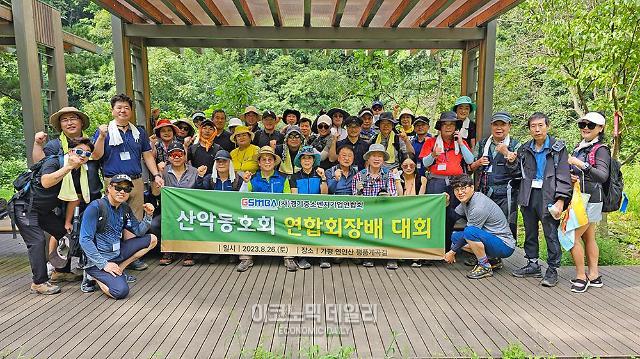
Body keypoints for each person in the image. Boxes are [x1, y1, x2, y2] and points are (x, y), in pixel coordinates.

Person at [10, 137, 96, 294]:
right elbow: (46, 182)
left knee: (66, 234)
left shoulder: (80, 172)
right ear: (70, 152)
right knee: (37, 241)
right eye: (79, 151)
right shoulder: (54, 162)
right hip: (24, 206)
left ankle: (60, 271)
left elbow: (75, 199)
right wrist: (68, 167)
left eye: (87, 154)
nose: (83, 155)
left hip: (43, 211)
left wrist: (68, 222)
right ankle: (39, 282)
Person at [508, 112, 572, 287]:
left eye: (540, 126)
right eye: (533, 126)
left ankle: (552, 269)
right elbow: (516, 174)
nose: (537, 130)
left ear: (547, 127)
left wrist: (561, 199)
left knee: (550, 233)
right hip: (528, 194)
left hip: (549, 194)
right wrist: (512, 161)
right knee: (530, 231)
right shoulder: (524, 148)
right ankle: (532, 263)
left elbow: (564, 175)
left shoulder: (558, 148)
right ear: (529, 129)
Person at [79, 175, 158, 299]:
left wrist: (148, 215)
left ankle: (119, 269)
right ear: (109, 188)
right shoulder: (96, 207)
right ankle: (92, 275)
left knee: (152, 239)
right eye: (118, 187)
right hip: (98, 259)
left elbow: (139, 231)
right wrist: (104, 264)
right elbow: (84, 240)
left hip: (116, 253)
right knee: (120, 292)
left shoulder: (124, 207)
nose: (122, 191)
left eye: (126, 189)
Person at [92, 93, 163, 223]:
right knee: (113, 219)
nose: (123, 111)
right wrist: (102, 136)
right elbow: (96, 156)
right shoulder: (104, 131)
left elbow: (147, 155)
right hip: (114, 181)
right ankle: (115, 244)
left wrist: (156, 175)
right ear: (112, 110)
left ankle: (132, 242)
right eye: (119, 107)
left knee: (135, 220)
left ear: (131, 111)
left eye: (126, 107)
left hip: (136, 181)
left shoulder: (139, 132)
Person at [567, 112, 610, 292]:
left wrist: (579, 164)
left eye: (590, 125)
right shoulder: (581, 146)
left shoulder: (601, 149)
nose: (585, 128)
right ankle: (594, 275)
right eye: (582, 124)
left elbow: (602, 175)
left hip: (590, 199)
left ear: (600, 128)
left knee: (570, 237)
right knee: (588, 236)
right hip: (580, 197)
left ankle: (580, 276)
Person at [419, 111, 475, 249]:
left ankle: (448, 246)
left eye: (452, 124)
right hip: (436, 182)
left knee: (453, 214)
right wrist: (433, 154)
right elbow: (425, 163)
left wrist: (461, 143)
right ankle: (432, 247)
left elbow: (470, 160)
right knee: (435, 214)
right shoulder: (431, 142)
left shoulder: (460, 143)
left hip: (456, 183)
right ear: (440, 127)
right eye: (445, 124)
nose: (449, 127)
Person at [443, 174, 516, 279]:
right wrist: (447, 204)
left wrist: (452, 251)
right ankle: (493, 260)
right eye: (457, 189)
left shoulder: (479, 206)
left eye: (463, 188)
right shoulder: (467, 200)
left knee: (469, 231)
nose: (460, 192)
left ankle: (484, 266)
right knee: (455, 237)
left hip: (504, 245)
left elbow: (469, 233)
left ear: (472, 187)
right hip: (492, 239)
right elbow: (454, 216)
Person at [238, 146, 292, 272]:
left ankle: (289, 256)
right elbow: (241, 198)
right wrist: (245, 183)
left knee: (290, 225)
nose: (267, 162)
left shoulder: (283, 179)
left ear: (274, 162)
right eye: (264, 159)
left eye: (270, 159)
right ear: (259, 163)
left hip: (279, 218)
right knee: (244, 224)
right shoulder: (252, 179)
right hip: (257, 218)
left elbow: (289, 200)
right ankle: (246, 258)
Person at [468, 112, 520, 241]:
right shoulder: (482, 144)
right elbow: (470, 168)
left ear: (509, 126)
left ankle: (505, 256)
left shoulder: (516, 145)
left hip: (507, 194)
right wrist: (478, 162)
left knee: (506, 225)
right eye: (495, 125)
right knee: (482, 223)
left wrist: (506, 153)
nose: (499, 128)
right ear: (491, 126)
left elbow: (520, 172)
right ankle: (484, 255)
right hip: (484, 192)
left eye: (503, 125)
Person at [151, 142, 201, 266]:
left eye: (179, 154)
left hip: (190, 211)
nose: (176, 157)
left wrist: (201, 176)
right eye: (173, 154)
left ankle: (189, 251)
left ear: (185, 156)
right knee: (154, 224)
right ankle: (169, 250)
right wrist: (158, 180)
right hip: (169, 211)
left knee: (191, 222)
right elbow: (155, 193)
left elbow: (201, 192)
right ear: (168, 157)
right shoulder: (163, 171)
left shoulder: (194, 171)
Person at [352, 143, 401, 269]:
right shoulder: (359, 176)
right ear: (368, 158)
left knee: (391, 224)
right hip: (366, 214)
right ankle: (369, 255)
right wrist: (358, 192)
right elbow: (355, 202)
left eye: (380, 156)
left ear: (383, 159)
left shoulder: (388, 175)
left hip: (385, 212)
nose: (377, 158)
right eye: (373, 156)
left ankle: (391, 256)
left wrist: (387, 195)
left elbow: (394, 196)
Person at [290, 146, 328, 269]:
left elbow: (324, 194)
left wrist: (323, 178)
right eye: (304, 158)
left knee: (321, 231)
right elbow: (294, 195)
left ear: (314, 160)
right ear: (300, 161)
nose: (307, 161)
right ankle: (303, 258)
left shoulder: (319, 174)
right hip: (301, 211)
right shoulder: (294, 177)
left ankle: (322, 257)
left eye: (309, 158)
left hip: (318, 211)